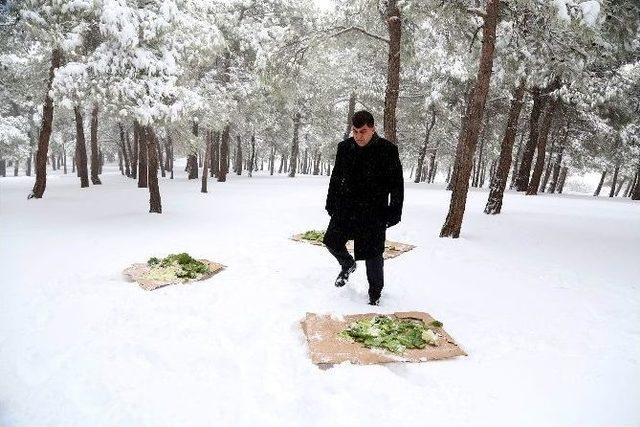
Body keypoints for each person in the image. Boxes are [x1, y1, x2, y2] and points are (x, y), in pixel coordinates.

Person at [323, 110, 404, 305]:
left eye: (363, 131)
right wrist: (331, 202)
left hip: (374, 211)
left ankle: (374, 296)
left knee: (373, 255)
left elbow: (397, 185)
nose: (359, 136)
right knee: (331, 241)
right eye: (355, 131)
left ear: (373, 129)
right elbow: (336, 178)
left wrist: (394, 212)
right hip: (346, 207)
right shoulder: (344, 148)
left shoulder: (388, 150)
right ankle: (347, 264)